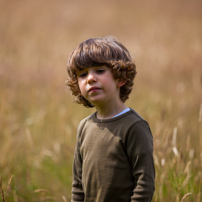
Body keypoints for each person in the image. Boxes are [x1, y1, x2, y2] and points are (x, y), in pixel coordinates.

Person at [66, 35, 155, 202]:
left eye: (99, 71)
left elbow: (145, 184)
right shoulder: (84, 127)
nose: (90, 78)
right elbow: (78, 186)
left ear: (121, 77)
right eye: (82, 74)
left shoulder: (135, 126)